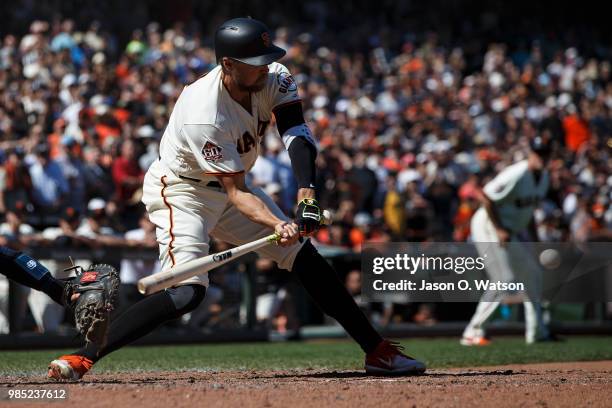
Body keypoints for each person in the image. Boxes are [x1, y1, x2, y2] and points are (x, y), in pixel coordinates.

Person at [47, 17, 426, 380]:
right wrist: (279, 224)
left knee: (304, 258)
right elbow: (237, 192)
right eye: (255, 62)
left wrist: (306, 194)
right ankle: (84, 355)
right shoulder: (204, 113)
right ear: (228, 64)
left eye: (267, 59)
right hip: (183, 190)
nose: (266, 67)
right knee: (186, 293)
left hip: (230, 187)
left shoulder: (274, 76)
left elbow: (295, 129)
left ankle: (377, 351)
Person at [461, 138, 553, 346]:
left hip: (509, 231)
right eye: (538, 153)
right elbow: (486, 197)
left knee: (532, 274)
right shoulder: (517, 173)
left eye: (545, 153)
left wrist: (536, 241)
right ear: (531, 154)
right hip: (488, 225)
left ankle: (537, 333)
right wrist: (500, 229)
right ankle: (473, 332)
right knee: (504, 279)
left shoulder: (544, 177)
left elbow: (528, 212)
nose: (542, 157)